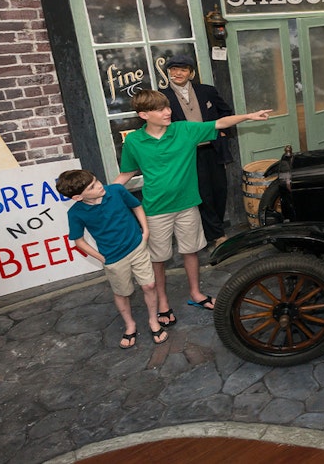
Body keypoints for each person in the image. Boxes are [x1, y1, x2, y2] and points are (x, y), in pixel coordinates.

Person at [114, 89, 271, 327]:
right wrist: (105, 194)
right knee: (158, 259)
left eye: (167, 107)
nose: (168, 112)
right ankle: (163, 302)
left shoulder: (183, 130)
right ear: (144, 114)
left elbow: (219, 122)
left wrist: (248, 116)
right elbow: (127, 173)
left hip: (188, 205)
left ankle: (196, 294)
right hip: (155, 210)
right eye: (160, 109)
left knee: (191, 251)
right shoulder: (134, 141)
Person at [56, 169, 167, 348]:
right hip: (113, 258)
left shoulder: (116, 190)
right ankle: (130, 324)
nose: (99, 185)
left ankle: (154, 321)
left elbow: (136, 206)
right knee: (122, 292)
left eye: (96, 180)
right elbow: (79, 241)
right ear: (78, 197)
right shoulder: (75, 213)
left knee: (149, 285)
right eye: (92, 187)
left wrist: (145, 231)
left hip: (136, 246)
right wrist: (102, 257)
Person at [160, 54, 234, 247]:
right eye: (173, 69)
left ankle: (212, 230)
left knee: (220, 190)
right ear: (169, 72)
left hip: (213, 148)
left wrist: (223, 132)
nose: (177, 73)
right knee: (203, 194)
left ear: (191, 73)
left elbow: (225, 111)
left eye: (183, 69)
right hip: (187, 154)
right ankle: (218, 235)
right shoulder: (162, 97)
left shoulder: (207, 91)